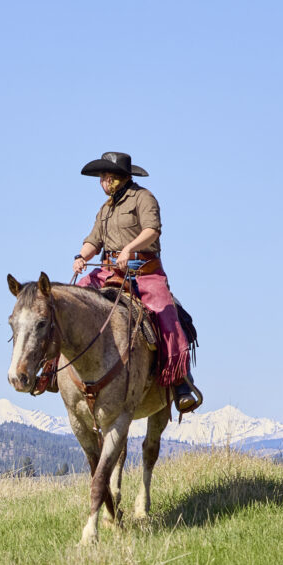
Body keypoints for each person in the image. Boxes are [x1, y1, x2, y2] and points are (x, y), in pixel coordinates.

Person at [71, 151, 201, 414]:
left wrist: (129, 249)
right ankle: (52, 369)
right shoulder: (105, 208)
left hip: (145, 272)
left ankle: (180, 383)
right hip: (108, 272)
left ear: (117, 178)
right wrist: (82, 256)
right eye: (101, 178)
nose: (101, 183)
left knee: (166, 313)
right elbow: (93, 241)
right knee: (73, 299)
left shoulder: (144, 198)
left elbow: (152, 230)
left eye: (105, 177)